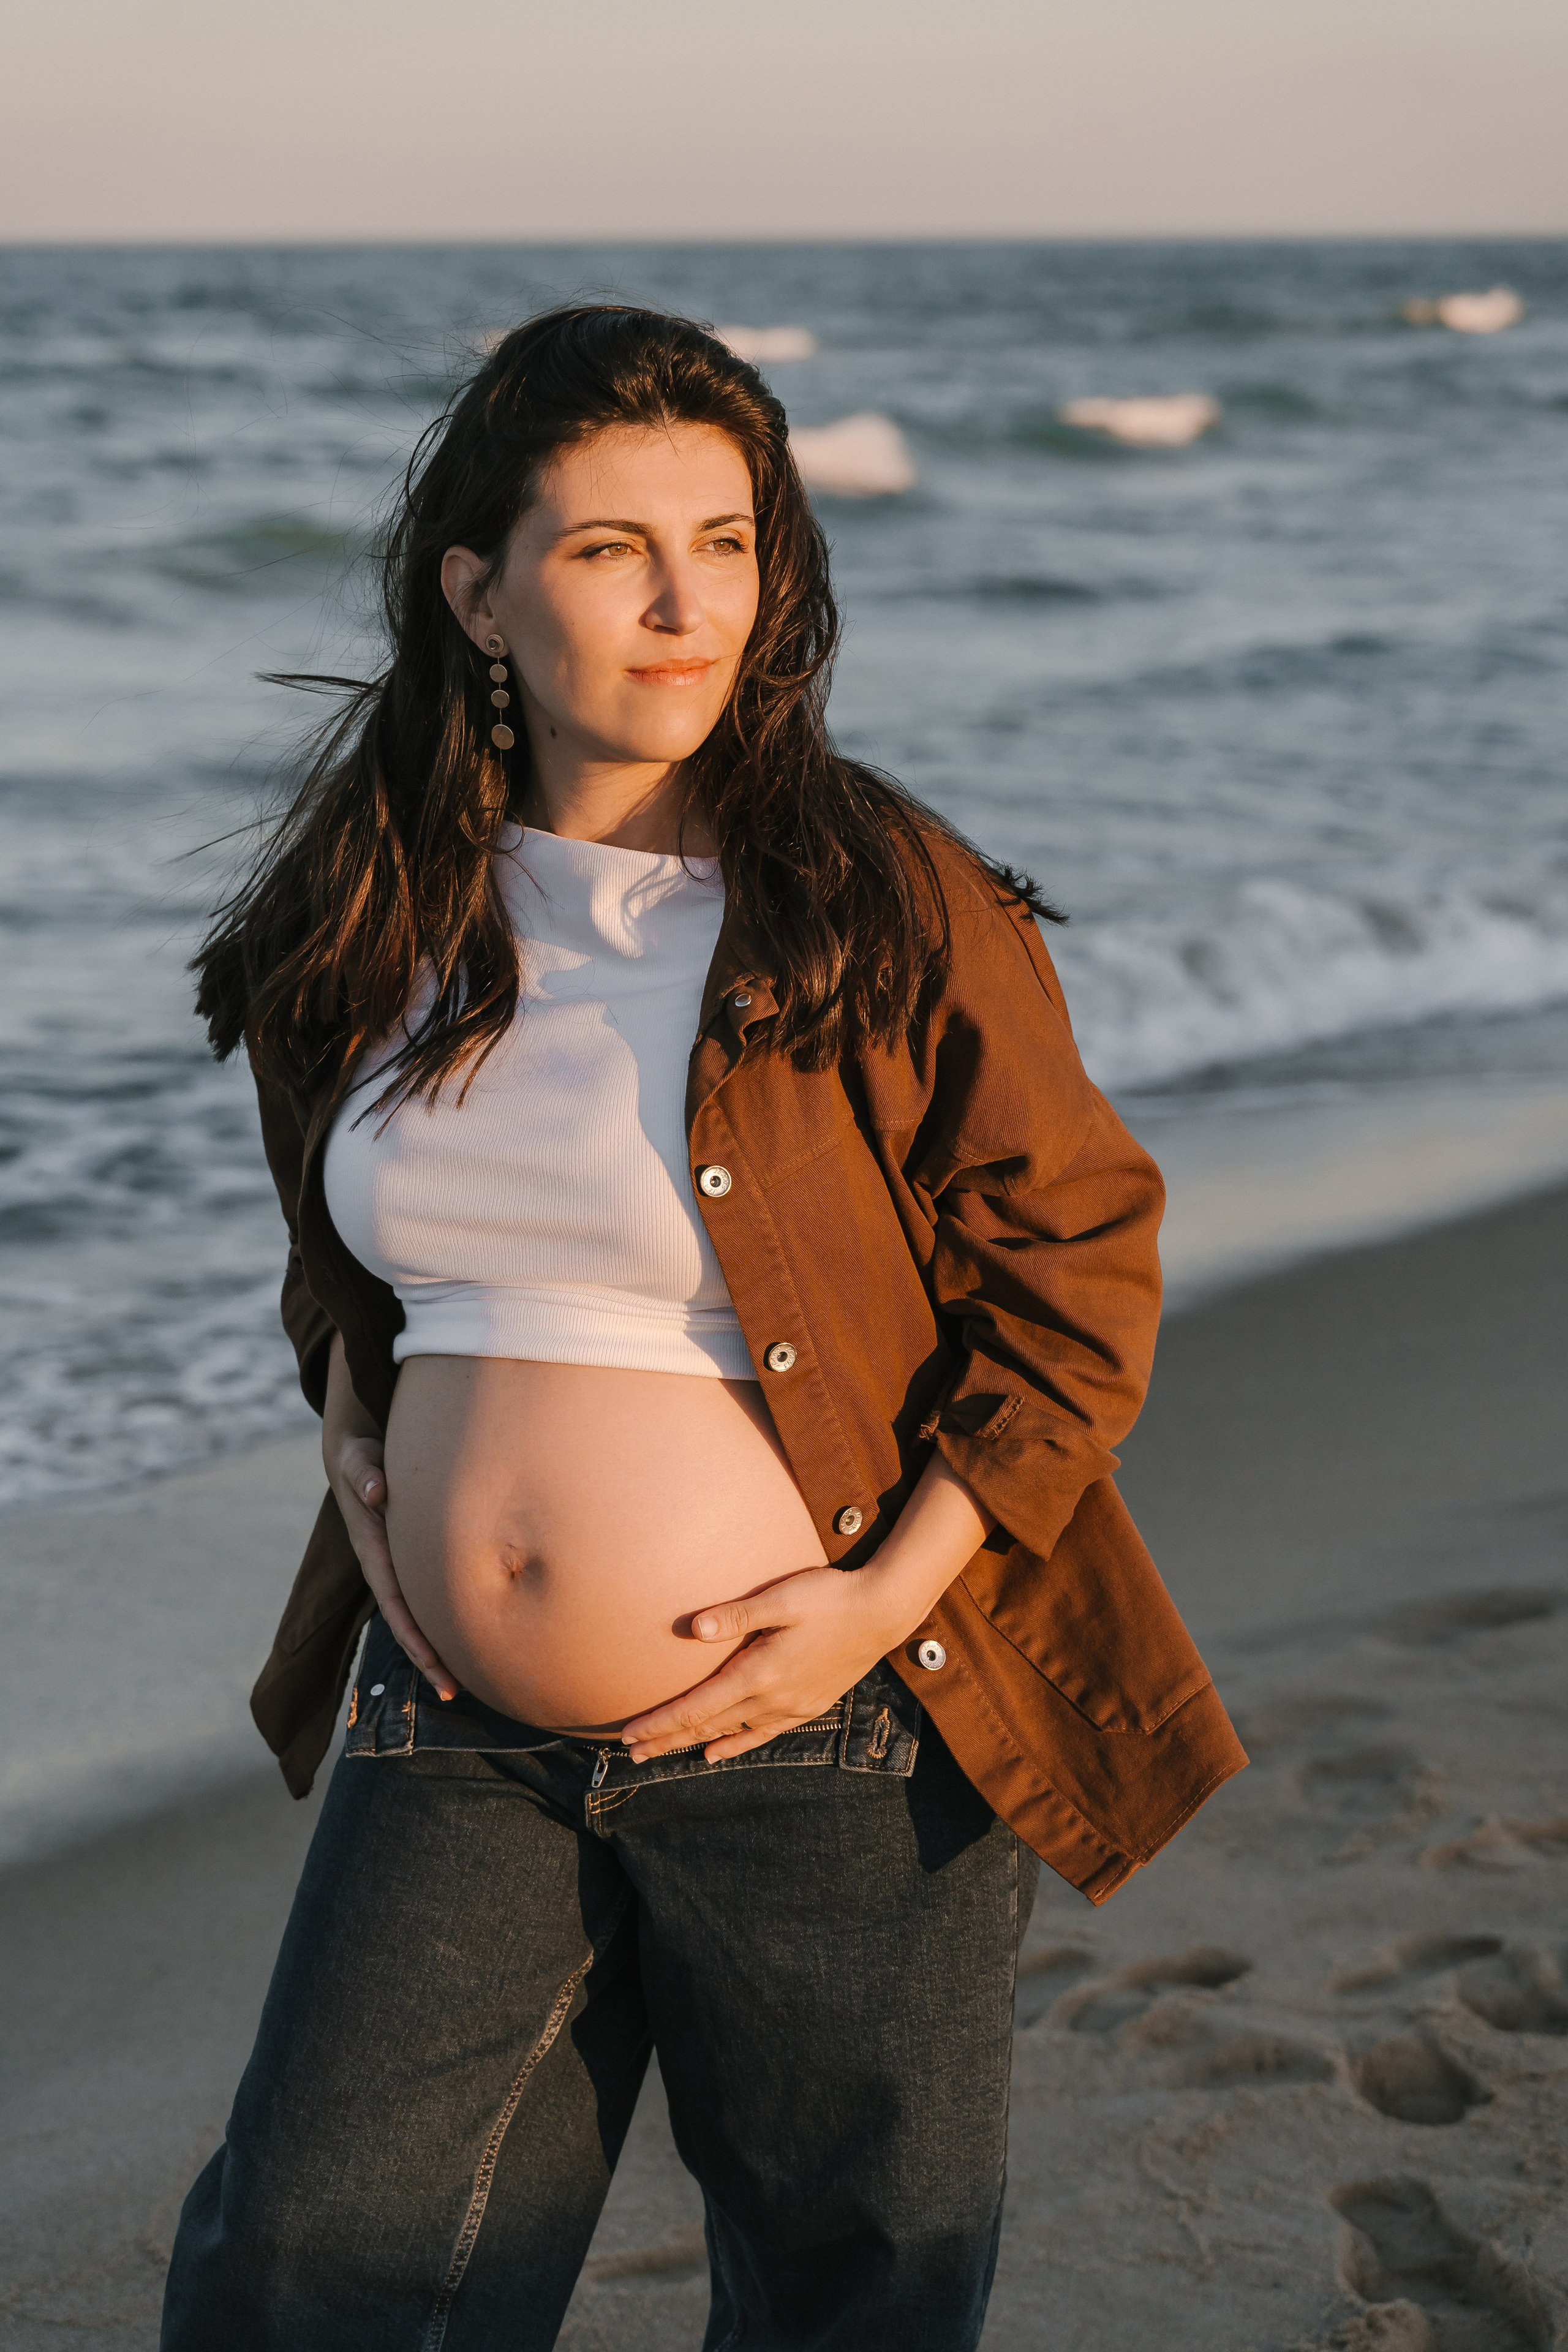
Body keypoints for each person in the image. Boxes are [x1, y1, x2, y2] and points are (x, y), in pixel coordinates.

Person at [161, 304, 1243, 2351]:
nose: (685, 605)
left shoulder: (881, 894)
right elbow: (341, 1235)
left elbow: (1080, 1275)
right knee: (310, 2267)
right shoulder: (374, 904)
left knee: (855, 2284)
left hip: (833, 1717)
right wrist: (351, 1425)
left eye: (728, 542)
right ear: (476, 587)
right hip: (452, 1716)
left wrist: (879, 1597)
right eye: (607, 549)